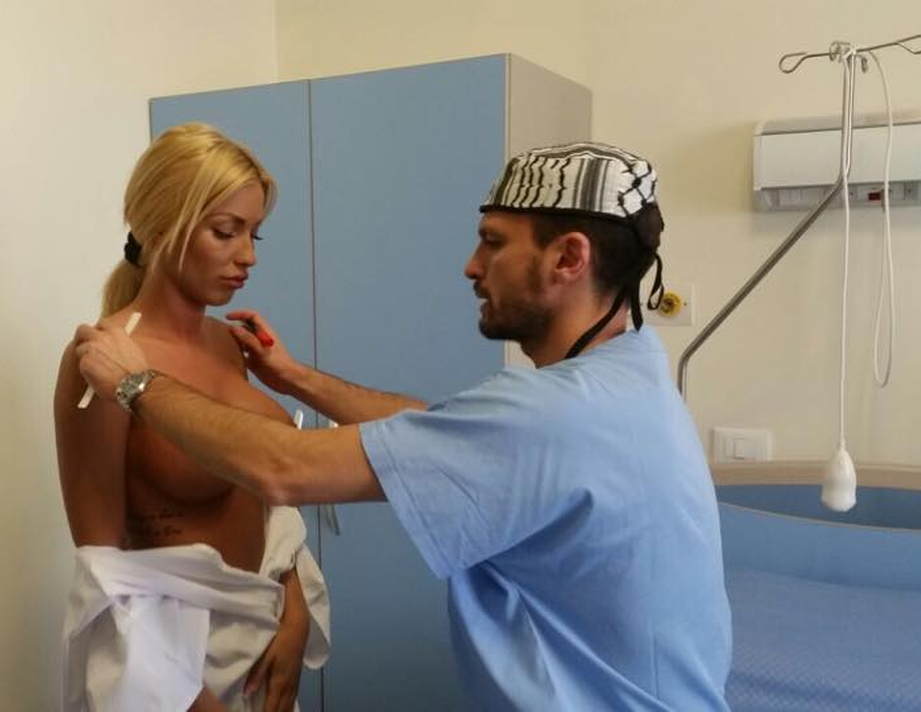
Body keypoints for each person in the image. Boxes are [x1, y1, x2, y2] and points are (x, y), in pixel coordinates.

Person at [73, 141, 733, 710]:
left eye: (493, 243)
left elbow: (282, 469)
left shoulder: (560, 413)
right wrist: (295, 378)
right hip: (176, 670)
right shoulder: (630, 373)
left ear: (568, 259)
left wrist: (135, 384)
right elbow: (443, 432)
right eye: (227, 230)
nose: (471, 265)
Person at [54, 122, 330, 712]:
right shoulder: (104, 362)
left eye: (254, 233)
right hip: (171, 673)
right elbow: (105, 575)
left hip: (262, 643)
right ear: (160, 227)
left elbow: (259, 492)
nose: (248, 256)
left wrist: (294, 611)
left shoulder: (230, 344)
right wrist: (192, 699)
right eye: (226, 231)